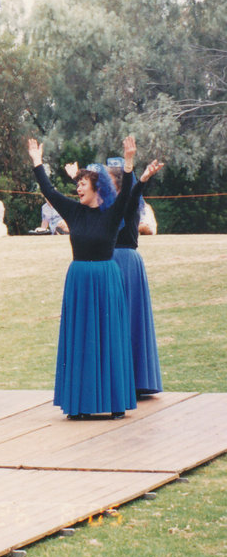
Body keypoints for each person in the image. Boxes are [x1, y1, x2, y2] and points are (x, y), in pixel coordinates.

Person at [28, 137, 137, 420]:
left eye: (82, 184)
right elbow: (49, 191)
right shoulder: (73, 211)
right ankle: (79, 403)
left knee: (108, 337)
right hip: (78, 279)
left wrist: (128, 162)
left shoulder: (112, 213)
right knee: (80, 339)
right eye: (77, 185)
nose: (77, 188)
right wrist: (37, 162)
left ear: (97, 188)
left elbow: (127, 194)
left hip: (105, 278)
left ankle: (114, 402)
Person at [107, 156, 166, 397]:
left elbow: (134, 191)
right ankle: (115, 378)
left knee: (130, 318)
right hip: (108, 262)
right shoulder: (104, 205)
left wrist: (142, 177)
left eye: (108, 181)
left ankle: (136, 380)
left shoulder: (130, 201)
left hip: (127, 263)